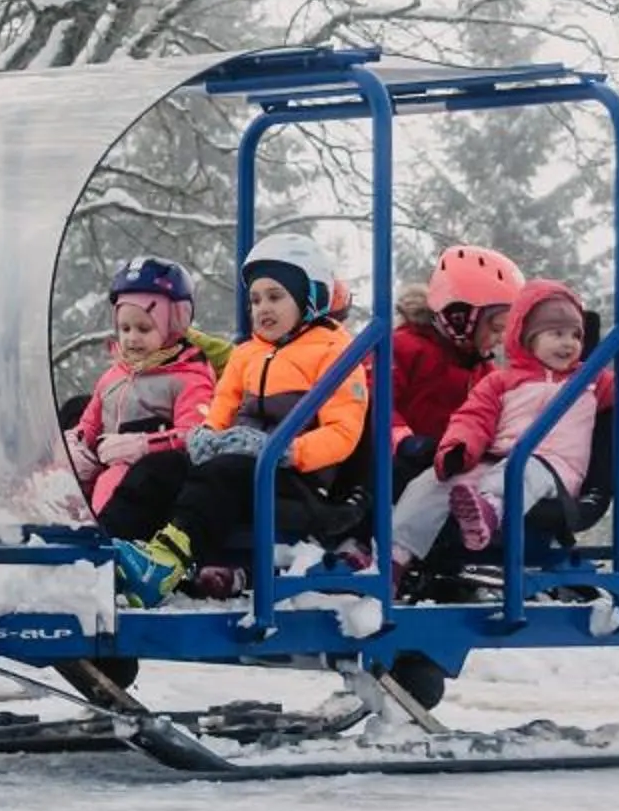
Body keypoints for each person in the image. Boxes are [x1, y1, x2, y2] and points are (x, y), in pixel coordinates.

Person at [114, 233, 368, 606]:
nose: (262, 307)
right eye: (255, 299)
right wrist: (206, 436)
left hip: (296, 480)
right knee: (162, 466)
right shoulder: (247, 353)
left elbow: (343, 433)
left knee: (226, 471)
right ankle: (101, 554)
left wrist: (284, 450)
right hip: (243, 470)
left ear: (310, 297)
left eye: (275, 297)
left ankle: (165, 563)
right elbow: (221, 410)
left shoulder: (336, 352)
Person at [394, 279, 619, 564]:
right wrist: (457, 450)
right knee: (433, 482)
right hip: (497, 463)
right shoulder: (501, 382)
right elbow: (472, 418)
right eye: (556, 334)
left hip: (553, 472)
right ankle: (395, 555)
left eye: (575, 335)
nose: (569, 343)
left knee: (524, 468)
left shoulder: (590, 381)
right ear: (527, 338)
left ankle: (490, 512)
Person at [65, 258, 220, 540]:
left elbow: (196, 435)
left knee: (116, 480)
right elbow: (89, 422)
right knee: (64, 479)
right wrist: (74, 448)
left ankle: (102, 547)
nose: (132, 339)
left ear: (173, 324)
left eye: (144, 329)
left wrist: (143, 446)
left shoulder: (189, 376)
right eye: (125, 329)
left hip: (152, 479)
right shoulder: (115, 375)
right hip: (107, 465)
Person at [388, 244, 524, 476]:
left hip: (446, 470)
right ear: (460, 317)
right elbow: (374, 403)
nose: (501, 339)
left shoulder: (484, 373)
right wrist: (404, 441)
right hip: (395, 468)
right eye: (496, 327)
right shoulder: (403, 348)